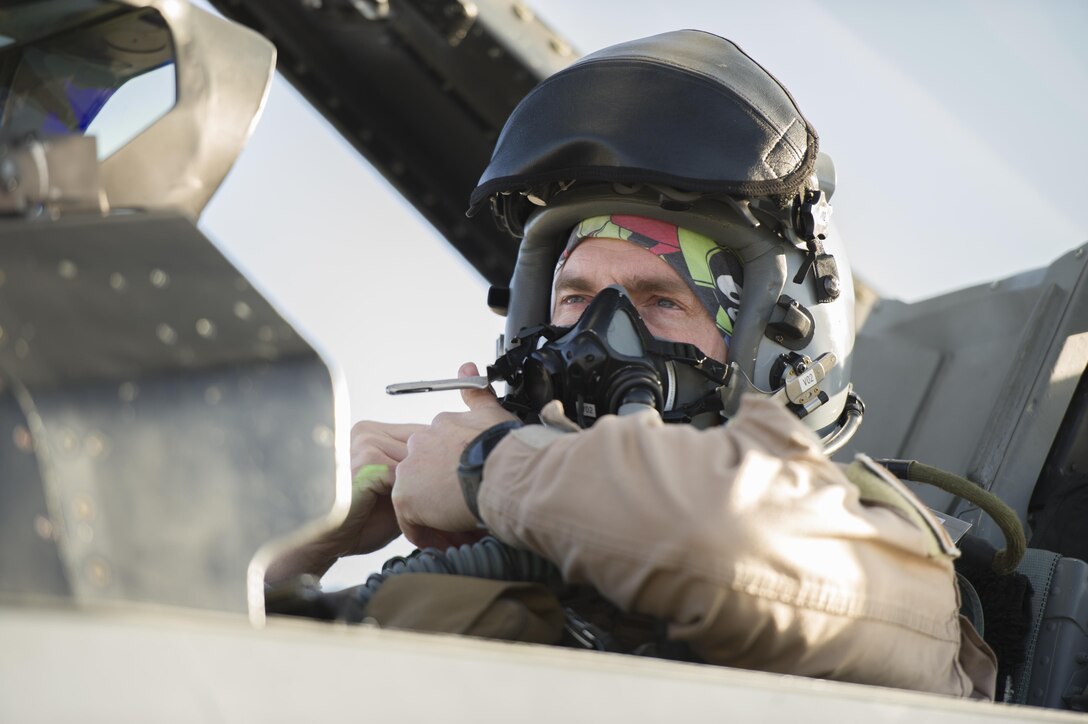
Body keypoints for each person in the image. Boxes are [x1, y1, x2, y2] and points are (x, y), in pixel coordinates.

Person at [268, 30, 997, 699]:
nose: (597, 335)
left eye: (660, 301)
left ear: (775, 354)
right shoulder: (495, 561)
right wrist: (296, 545)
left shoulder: (877, 558)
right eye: (575, 296)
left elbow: (723, 537)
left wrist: (487, 467)